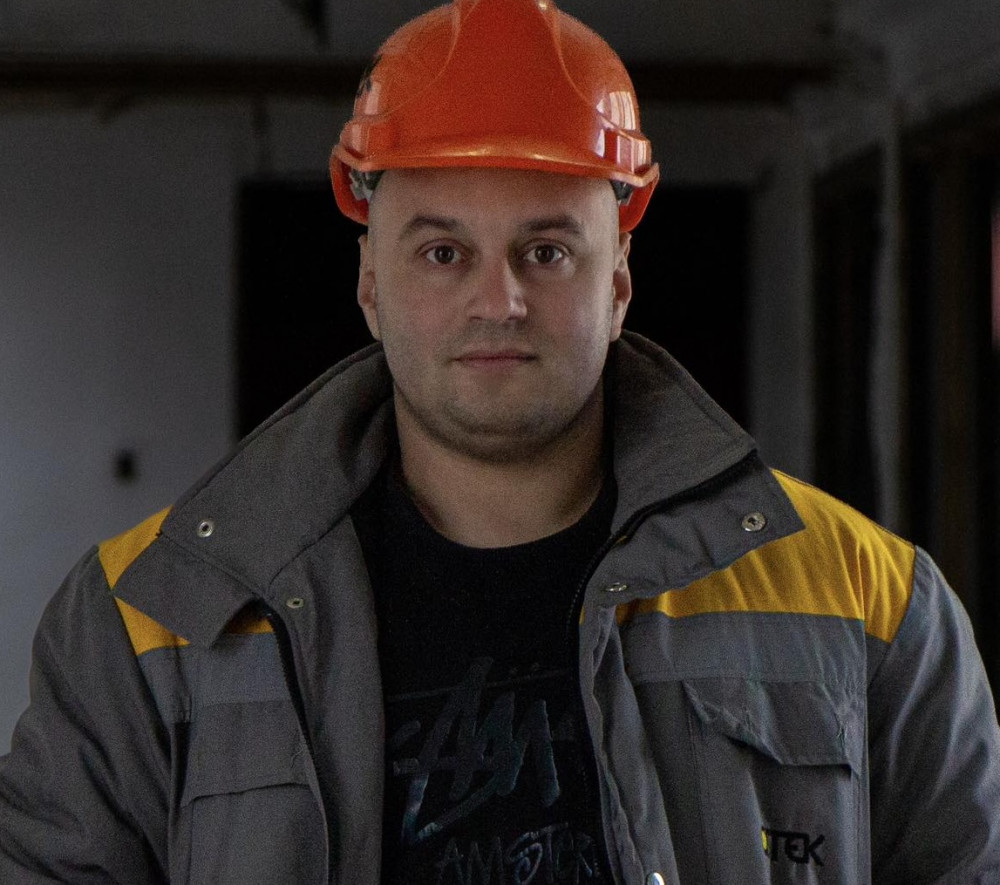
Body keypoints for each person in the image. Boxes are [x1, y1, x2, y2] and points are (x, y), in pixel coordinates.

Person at [2, 0, 999, 882]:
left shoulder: (870, 604)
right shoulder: (147, 620)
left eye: (547, 251)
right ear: (370, 285)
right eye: (443, 251)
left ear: (618, 283)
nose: (499, 299)